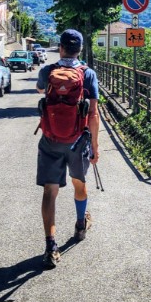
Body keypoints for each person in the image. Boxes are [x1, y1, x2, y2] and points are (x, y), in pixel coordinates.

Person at [35, 29, 100, 269]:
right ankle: (81, 224)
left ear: (60, 47)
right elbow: (93, 113)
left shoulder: (48, 71)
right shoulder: (88, 74)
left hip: (51, 139)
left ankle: (50, 246)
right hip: (78, 141)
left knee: (50, 191)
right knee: (79, 184)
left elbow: (40, 90)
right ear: (80, 50)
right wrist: (95, 146)